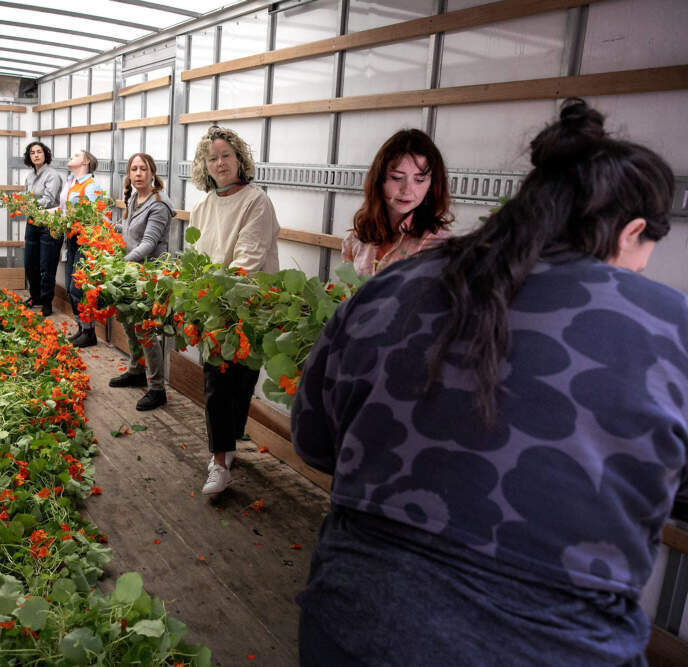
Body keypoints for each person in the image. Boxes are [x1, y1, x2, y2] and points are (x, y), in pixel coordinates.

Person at [292, 99, 686, 666]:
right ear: (631, 234)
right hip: (554, 646)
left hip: (352, 626)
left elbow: (313, 442)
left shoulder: (393, 287)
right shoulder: (668, 326)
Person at [191, 125, 280, 495]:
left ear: (240, 159)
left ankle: (227, 448)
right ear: (205, 166)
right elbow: (194, 259)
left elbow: (249, 260)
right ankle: (220, 461)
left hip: (250, 305)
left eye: (226, 155)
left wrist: (215, 291)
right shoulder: (202, 206)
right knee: (215, 383)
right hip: (214, 307)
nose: (220, 162)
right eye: (213, 157)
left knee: (241, 383)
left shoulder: (256, 201)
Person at [108, 153, 175, 411]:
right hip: (131, 271)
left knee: (145, 329)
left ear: (152, 173)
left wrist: (121, 265)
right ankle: (136, 370)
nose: (138, 173)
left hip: (148, 274)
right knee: (128, 320)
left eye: (143, 169)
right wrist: (110, 227)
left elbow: (148, 244)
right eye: (133, 169)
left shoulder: (159, 205)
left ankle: (157, 388)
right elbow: (128, 228)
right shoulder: (135, 196)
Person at [340, 128, 452, 275]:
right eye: (397, 178)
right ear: (379, 179)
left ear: (431, 185)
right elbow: (346, 295)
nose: (407, 190)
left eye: (419, 180)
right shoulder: (356, 237)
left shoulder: (438, 244)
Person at [58, 149, 105, 348]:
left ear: (86, 162)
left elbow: (96, 215)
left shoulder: (91, 185)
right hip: (71, 240)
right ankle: (82, 328)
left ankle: (89, 331)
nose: (71, 156)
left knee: (78, 287)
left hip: (84, 240)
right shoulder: (71, 183)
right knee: (70, 285)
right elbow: (65, 211)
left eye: (76, 156)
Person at [22, 141, 63, 316]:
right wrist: (25, 204)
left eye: (39, 152)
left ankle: (47, 302)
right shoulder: (30, 177)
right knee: (30, 263)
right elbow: (25, 196)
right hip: (32, 223)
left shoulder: (52, 175)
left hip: (49, 223)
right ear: (29, 157)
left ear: (45, 154)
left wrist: (28, 205)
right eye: (32, 153)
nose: (36, 155)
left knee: (47, 265)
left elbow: (48, 199)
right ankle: (35, 296)